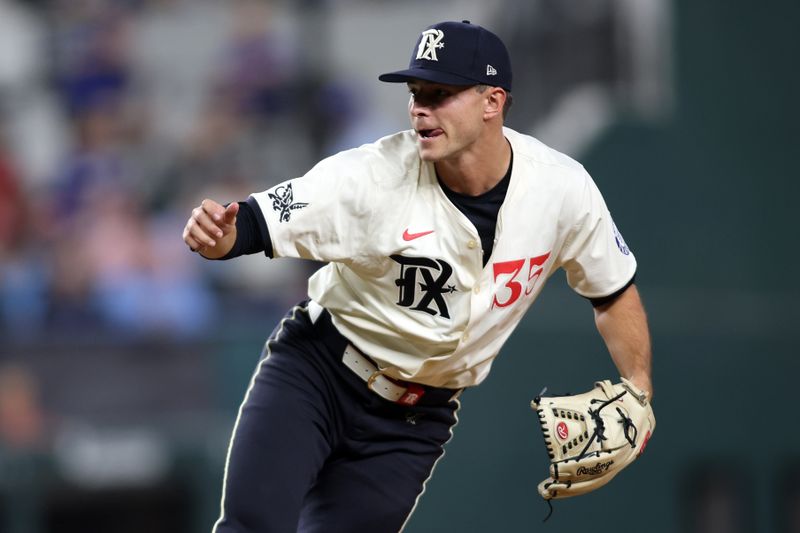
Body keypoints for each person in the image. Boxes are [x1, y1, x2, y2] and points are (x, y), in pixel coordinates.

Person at [182, 20, 653, 533]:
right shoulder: (373, 177)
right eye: (415, 92)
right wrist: (220, 237)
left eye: (440, 93)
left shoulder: (562, 190)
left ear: (492, 102)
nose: (420, 107)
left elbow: (612, 292)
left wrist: (639, 387)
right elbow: (254, 222)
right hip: (317, 373)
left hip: (413, 422)